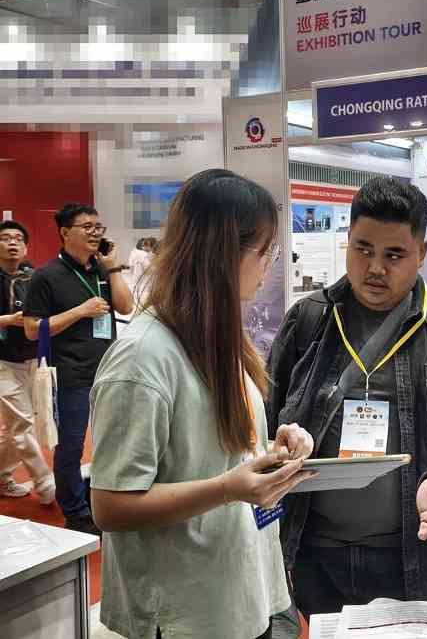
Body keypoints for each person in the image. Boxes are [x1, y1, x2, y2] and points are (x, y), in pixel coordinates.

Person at [89, 169, 316, 639]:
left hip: (236, 587)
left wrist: (270, 451)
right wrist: (227, 488)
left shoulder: (216, 338)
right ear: (225, 255)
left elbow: (213, 453)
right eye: (265, 251)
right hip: (183, 610)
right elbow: (111, 504)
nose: (269, 265)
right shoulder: (143, 357)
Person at [267, 176, 427, 618]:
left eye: (394, 255)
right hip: (314, 550)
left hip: (412, 553)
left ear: (422, 253)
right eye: (363, 249)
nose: (375, 268)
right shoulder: (309, 320)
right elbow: (269, 414)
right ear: (348, 242)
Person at [23, 203, 134, 534]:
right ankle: (75, 512)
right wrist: (80, 311)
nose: (95, 233)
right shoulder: (46, 276)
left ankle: (104, 500)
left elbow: (126, 306)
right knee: (71, 448)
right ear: (65, 232)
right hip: (70, 375)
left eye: (98, 227)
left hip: (108, 371)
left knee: (111, 441)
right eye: (87, 227)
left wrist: (114, 268)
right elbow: (32, 329)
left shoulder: (102, 269)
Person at [0, 221, 55, 503]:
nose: (13, 243)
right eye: (6, 238)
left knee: (17, 425)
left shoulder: (34, 278)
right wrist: (8, 320)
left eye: (18, 238)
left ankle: (1, 476)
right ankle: (46, 486)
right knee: (22, 423)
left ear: (26, 246)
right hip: (2, 362)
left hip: (32, 359)